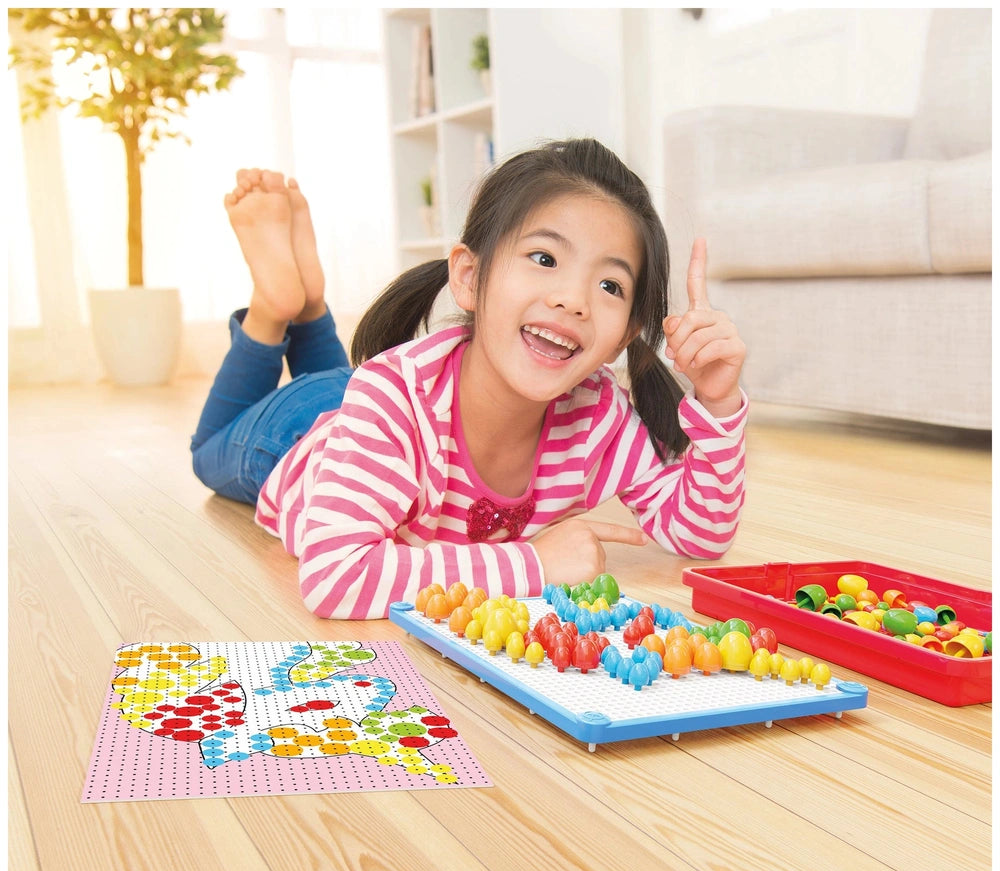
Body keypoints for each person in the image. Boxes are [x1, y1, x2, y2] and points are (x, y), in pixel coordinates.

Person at [191, 139, 748, 620]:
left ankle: (312, 304)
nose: (573, 299)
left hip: (370, 408)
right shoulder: (390, 399)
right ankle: (276, 306)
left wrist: (718, 400)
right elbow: (336, 576)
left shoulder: (598, 415)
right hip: (293, 436)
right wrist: (534, 563)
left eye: (610, 286)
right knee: (208, 448)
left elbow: (698, 533)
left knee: (349, 385)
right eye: (545, 258)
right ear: (468, 276)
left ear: (624, 336)